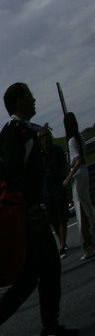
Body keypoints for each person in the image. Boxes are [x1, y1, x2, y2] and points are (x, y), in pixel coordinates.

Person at [0, 83, 77, 336]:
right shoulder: (18, 133)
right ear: (19, 102)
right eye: (29, 95)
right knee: (47, 269)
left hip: (26, 214)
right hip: (27, 216)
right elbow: (13, 176)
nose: (34, 99)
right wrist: (28, 210)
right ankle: (48, 331)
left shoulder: (21, 132)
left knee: (30, 279)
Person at [63, 112, 94, 261]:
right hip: (86, 173)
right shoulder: (80, 137)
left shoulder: (71, 141)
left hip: (77, 176)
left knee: (81, 212)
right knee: (88, 209)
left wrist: (68, 178)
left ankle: (88, 246)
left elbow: (77, 161)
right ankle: (90, 244)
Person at [38, 126, 70, 256]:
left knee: (62, 218)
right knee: (53, 220)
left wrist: (65, 182)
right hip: (47, 191)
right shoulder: (39, 156)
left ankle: (62, 245)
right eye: (42, 137)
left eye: (46, 135)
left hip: (58, 188)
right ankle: (62, 241)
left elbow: (64, 167)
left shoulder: (57, 151)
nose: (45, 139)